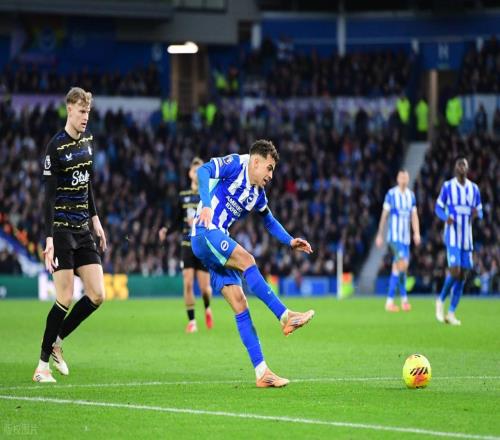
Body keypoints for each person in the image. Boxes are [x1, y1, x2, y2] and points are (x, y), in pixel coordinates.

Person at [191, 139, 314, 388]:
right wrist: (206, 205)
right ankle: (285, 316)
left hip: (217, 240)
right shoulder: (236, 164)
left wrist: (290, 241)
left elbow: (269, 221)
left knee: (240, 303)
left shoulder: (257, 193)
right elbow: (203, 170)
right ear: (256, 162)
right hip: (205, 232)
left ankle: (262, 372)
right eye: (269, 168)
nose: (271, 175)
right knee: (248, 260)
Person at [33, 87, 107, 383]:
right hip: (62, 230)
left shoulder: (88, 142)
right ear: (70, 110)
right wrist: (49, 238)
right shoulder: (55, 147)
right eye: (81, 111)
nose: (85, 117)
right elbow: (48, 198)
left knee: (98, 294)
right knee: (64, 297)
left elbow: (87, 184)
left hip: (83, 229)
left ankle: (57, 340)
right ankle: (41, 367)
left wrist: (95, 219)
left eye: (88, 111)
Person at [159, 157, 213, 333]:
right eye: (195, 170)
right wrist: (166, 230)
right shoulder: (183, 196)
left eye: (200, 171)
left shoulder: (208, 195)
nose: (197, 174)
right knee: (188, 283)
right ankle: (192, 322)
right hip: (187, 244)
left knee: (204, 288)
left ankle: (207, 307)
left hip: (203, 245)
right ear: (190, 173)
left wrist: (199, 222)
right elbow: (177, 220)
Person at [434, 157, 482, 325]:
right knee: (455, 271)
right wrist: (445, 217)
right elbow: (438, 207)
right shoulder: (448, 187)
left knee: (462, 276)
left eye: (464, 165)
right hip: (453, 237)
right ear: (455, 168)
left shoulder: (474, 189)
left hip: (467, 239)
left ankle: (451, 313)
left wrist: (477, 214)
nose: (461, 167)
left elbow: (480, 210)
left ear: (467, 169)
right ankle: (440, 300)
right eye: (459, 165)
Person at [376, 169, 421, 312]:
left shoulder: (411, 196)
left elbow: (414, 216)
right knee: (402, 265)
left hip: (406, 239)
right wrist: (379, 234)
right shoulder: (391, 194)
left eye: (406, 177)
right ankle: (403, 300)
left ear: (408, 179)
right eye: (401, 177)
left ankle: (390, 302)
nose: (404, 180)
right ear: (397, 179)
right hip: (394, 238)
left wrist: (416, 233)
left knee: (398, 269)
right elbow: (384, 215)